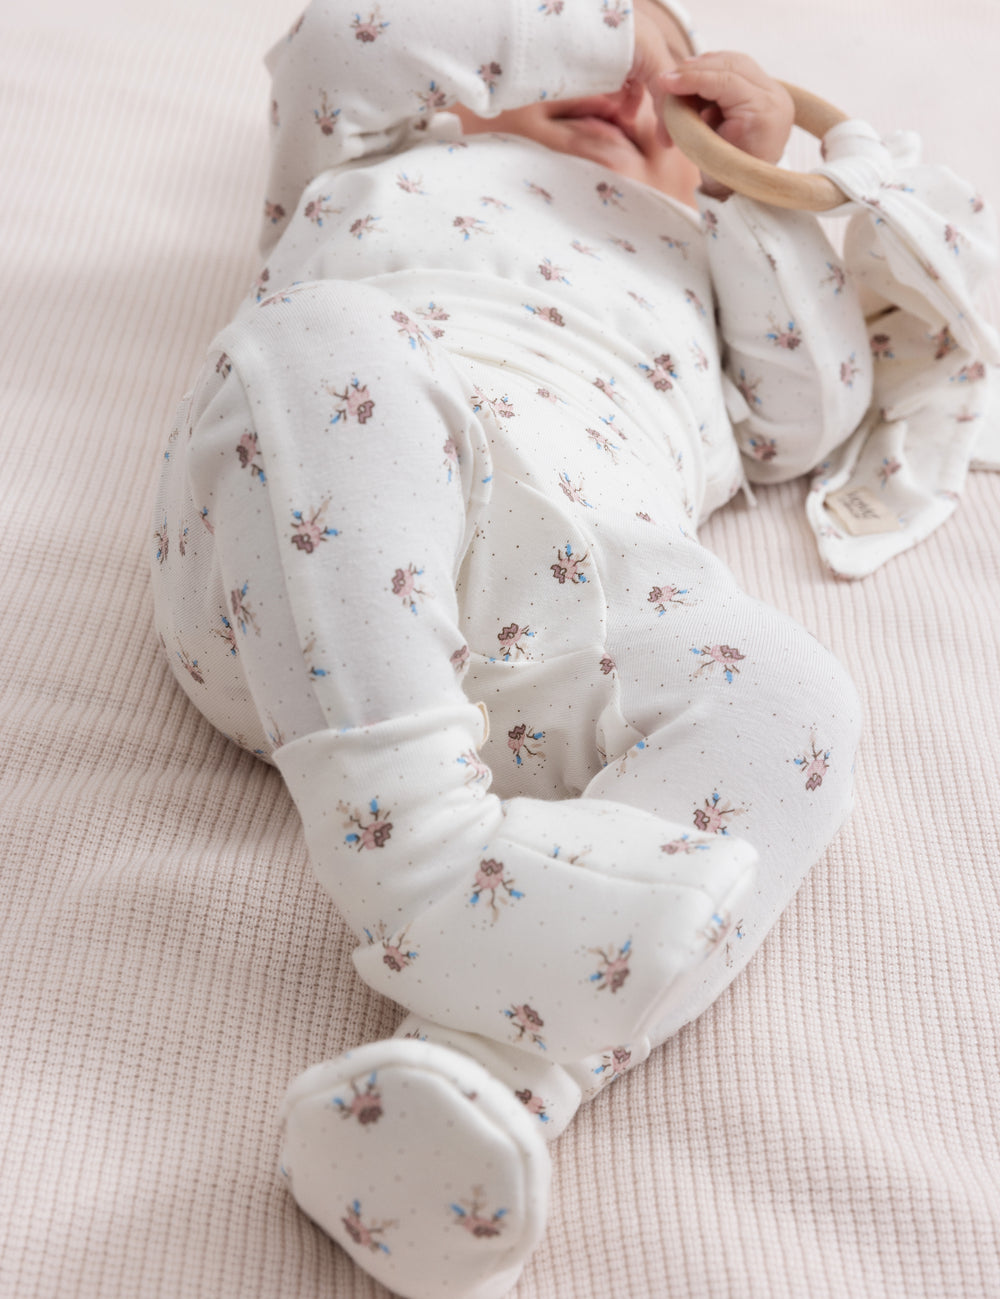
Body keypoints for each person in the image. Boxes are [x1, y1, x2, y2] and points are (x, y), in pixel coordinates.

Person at [148, 1, 992, 1294]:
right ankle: (419, 852)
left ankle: (483, 1080)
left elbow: (807, 416)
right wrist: (628, 41)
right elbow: (342, 43)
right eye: (581, 34)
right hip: (309, 579)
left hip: (576, 607)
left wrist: (759, 198)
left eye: (672, 98)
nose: (634, 94)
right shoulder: (374, 156)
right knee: (318, 343)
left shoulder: (700, 253)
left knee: (791, 695)